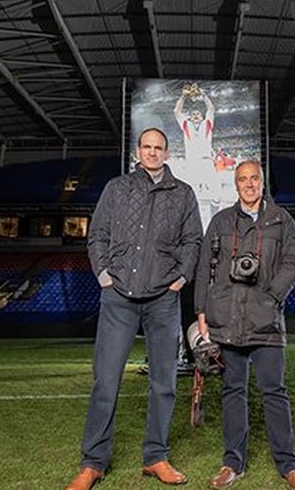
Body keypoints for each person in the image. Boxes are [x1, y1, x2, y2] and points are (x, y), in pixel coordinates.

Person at [65, 128, 203, 490]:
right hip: (118, 297)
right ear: (138, 151)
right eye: (147, 147)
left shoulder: (183, 194)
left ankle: (155, 457)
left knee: (165, 382)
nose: (153, 153)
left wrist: (181, 278)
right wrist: (103, 275)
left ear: (167, 152)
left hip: (163, 299)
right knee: (106, 381)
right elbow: (97, 235)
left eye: (159, 148)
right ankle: (93, 462)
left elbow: (193, 241)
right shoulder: (116, 188)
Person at [194, 160, 295, 490]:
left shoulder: (280, 219)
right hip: (226, 319)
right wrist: (201, 309)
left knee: (274, 391)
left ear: (262, 183)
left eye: (254, 179)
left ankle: (289, 465)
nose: (249, 184)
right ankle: (233, 463)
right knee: (233, 391)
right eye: (243, 179)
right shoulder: (220, 221)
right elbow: (204, 268)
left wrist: (273, 296)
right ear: (235, 185)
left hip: (266, 322)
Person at [174, 83, 221, 226]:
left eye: (198, 114)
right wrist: (183, 96)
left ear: (201, 117)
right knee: (190, 194)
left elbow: (211, 109)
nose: (195, 116)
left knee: (216, 193)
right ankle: (189, 224)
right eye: (193, 114)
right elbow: (176, 111)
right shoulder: (186, 125)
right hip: (192, 163)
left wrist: (203, 95)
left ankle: (215, 220)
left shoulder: (207, 124)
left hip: (206, 162)